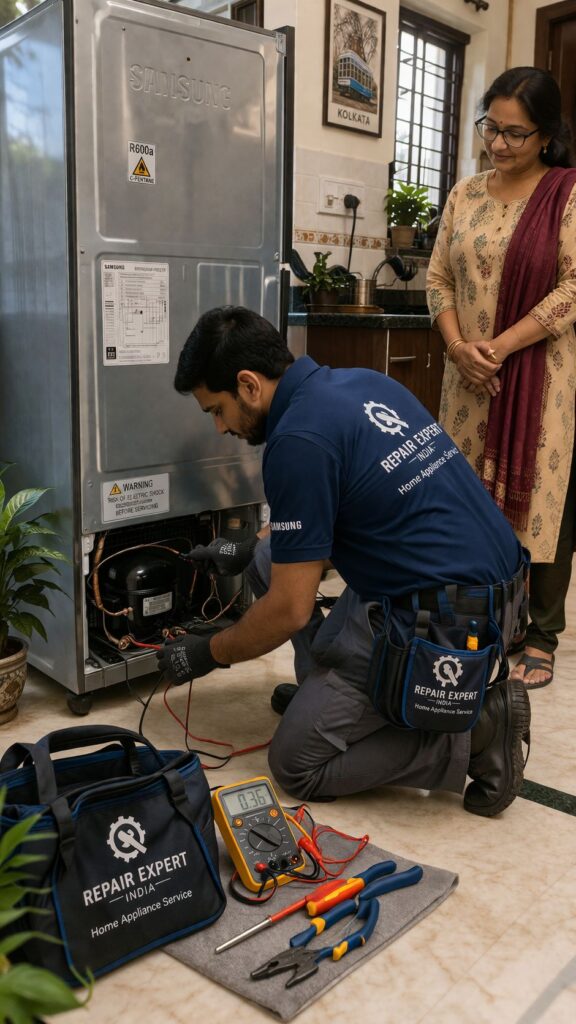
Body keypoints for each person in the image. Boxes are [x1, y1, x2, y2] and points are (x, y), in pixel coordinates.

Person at [156, 305, 531, 819]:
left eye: (215, 410)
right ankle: (333, 697)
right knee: (269, 557)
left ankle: (478, 730)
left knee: (296, 764)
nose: (220, 427)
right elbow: (359, 507)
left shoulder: (294, 443)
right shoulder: (360, 384)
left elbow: (289, 611)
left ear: (248, 385)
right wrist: (250, 548)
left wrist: (208, 653)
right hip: (496, 587)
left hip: (444, 621)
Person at [426, 67, 576, 690]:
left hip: (541, 376)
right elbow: (438, 280)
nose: (499, 144)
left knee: (543, 494)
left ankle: (540, 631)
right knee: (467, 493)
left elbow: (575, 285)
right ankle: (490, 614)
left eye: (515, 133)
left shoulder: (567, 194)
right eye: (492, 127)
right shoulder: (465, 194)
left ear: (546, 136)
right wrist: (460, 348)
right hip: (467, 378)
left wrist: (503, 347)